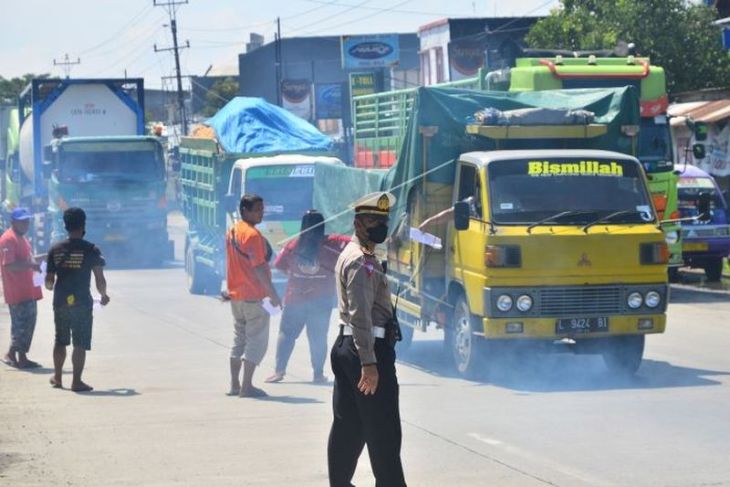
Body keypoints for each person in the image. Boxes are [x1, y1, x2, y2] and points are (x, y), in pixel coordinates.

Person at [327, 192, 407, 487]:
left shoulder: (362, 255)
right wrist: (370, 364)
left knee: (350, 427)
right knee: (384, 431)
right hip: (366, 349)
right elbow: (361, 315)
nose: (381, 226)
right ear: (359, 224)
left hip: (350, 347)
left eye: (384, 221)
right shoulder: (361, 260)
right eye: (374, 220)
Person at [265, 210, 349, 384]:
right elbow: (353, 244)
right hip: (321, 301)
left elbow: (279, 265)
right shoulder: (333, 243)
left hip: (295, 299)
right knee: (318, 337)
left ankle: (279, 371)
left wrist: (294, 273)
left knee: (287, 334)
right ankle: (318, 374)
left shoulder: (293, 246)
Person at [45, 208, 109, 392]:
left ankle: (57, 377)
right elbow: (100, 279)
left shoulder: (55, 250)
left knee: (60, 340)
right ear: (83, 225)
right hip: (81, 303)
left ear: (65, 226)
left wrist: (53, 285)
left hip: (60, 303)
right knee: (79, 343)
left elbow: (49, 282)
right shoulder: (91, 249)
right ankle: (76, 381)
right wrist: (103, 296)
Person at [226, 194, 281, 398]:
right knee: (256, 341)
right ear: (244, 211)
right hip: (254, 296)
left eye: (262, 209)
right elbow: (259, 268)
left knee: (239, 339)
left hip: (236, 296)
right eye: (257, 210)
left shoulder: (232, 231)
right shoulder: (253, 235)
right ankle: (246, 386)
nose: (261, 213)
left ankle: (234, 384)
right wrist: (273, 295)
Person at [1, 207, 43, 368]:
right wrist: (32, 264)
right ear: (13, 222)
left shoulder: (24, 239)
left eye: (27, 221)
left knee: (28, 324)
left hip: (28, 289)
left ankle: (22, 357)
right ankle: (11, 354)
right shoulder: (8, 239)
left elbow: (29, 259)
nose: (26, 224)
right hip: (16, 291)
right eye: (22, 221)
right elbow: (9, 265)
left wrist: (44, 257)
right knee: (20, 325)